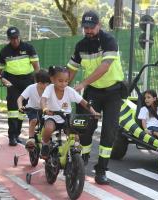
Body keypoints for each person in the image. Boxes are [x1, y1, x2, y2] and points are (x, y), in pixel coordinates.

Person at [66, 10, 124, 185]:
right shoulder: (80, 46)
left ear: (99, 25)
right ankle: (82, 162)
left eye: (92, 27)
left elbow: (105, 67)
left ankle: (101, 170)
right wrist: (62, 88)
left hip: (113, 92)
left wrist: (82, 84)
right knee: (85, 129)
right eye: (86, 27)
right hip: (93, 92)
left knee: (109, 131)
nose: (88, 30)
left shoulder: (109, 41)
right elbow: (71, 70)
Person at [40, 66, 99, 159]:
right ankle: (45, 144)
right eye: (60, 81)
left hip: (67, 118)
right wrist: (45, 109)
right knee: (48, 128)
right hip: (52, 116)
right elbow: (43, 100)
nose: (64, 84)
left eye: (66, 81)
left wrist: (94, 112)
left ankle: (73, 153)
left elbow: (83, 102)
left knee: (75, 136)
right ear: (52, 79)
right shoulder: (49, 88)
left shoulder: (69, 90)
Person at [0, 27, 40, 146]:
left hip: (27, 81)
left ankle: (17, 134)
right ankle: (11, 136)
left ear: (19, 37)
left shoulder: (29, 48)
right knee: (13, 110)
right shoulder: (4, 52)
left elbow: (36, 67)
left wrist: (38, 83)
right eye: (12, 39)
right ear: (8, 39)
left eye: (16, 38)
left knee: (22, 111)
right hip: (12, 82)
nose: (14, 41)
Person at [17, 69, 50, 149]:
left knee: (48, 124)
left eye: (48, 83)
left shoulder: (50, 89)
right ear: (39, 83)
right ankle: (31, 138)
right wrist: (20, 107)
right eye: (45, 83)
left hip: (45, 109)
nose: (47, 85)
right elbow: (20, 98)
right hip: (32, 109)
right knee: (34, 120)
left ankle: (46, 140)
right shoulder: (31, 88)